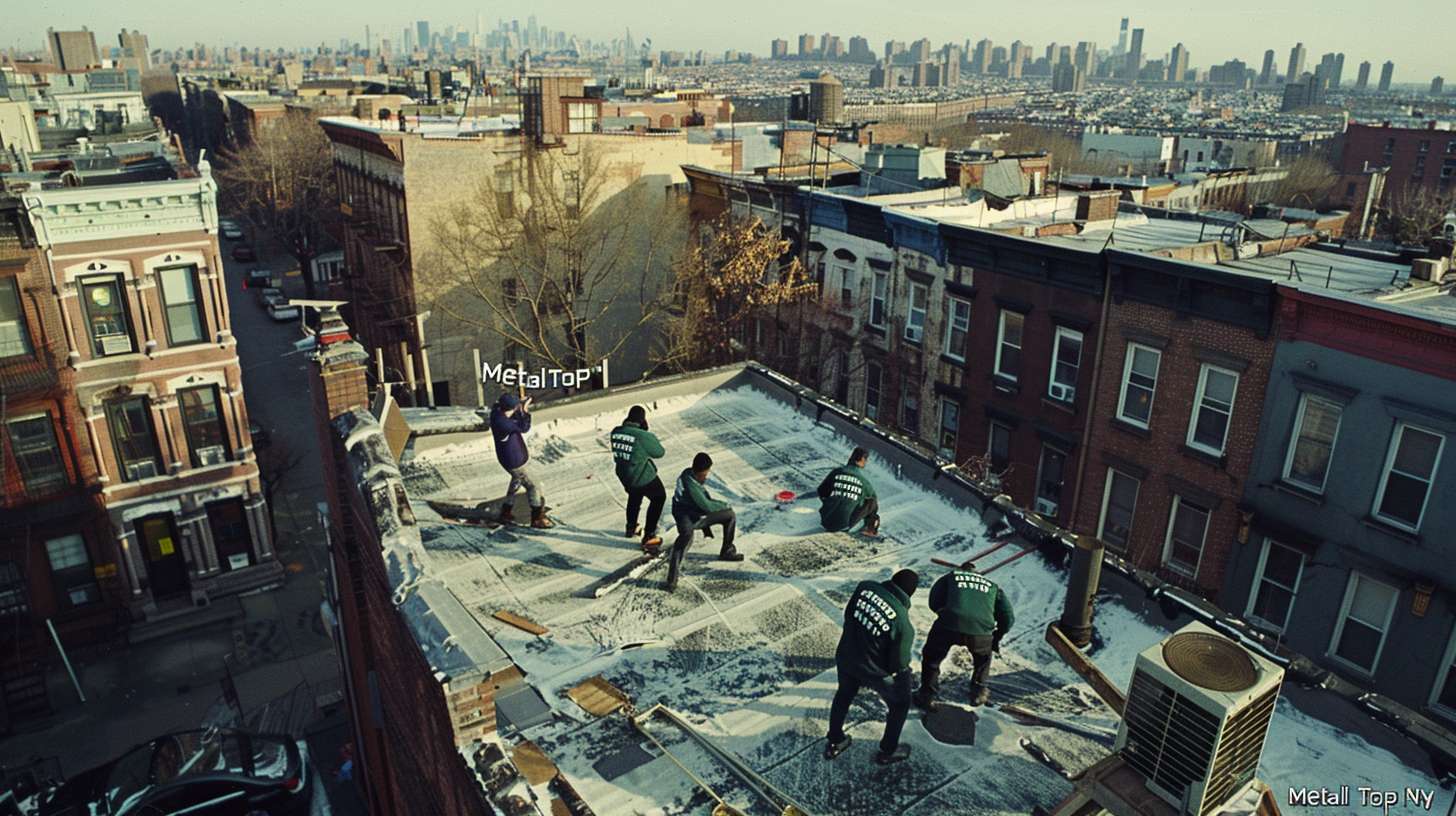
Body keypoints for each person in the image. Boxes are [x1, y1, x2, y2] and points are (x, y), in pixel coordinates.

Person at [825, 569, 919, 765]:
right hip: (873, 670)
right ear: (909, 594)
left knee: (844, 694)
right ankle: (888, 750)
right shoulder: (903, 624)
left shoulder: (864, 587)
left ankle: (835, 740)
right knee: (900, 703)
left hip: (846, 656)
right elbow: (899, 664)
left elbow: (849, 615)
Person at [915, 561, 1014, 709]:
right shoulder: (992, 586)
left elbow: (934, 598)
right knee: (983, 660)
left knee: (932, 658)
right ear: (978, 573)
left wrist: (943, 613)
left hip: (949, 623)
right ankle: (978, 693)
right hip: (981, 629)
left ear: (961, 569)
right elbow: (1008, 616)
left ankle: (927, 695)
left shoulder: (952, 576)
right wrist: (996, 636)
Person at [667, 452, 742, 591]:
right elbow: (706, 506)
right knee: (685, 539)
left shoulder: (689, 474)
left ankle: (727, 551)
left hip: (692, 513)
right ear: (699, 471)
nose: (706, 476)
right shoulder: (691, 484)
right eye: (705, 474)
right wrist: (724, 504)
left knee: (729, 516)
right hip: (686, 516)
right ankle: (671, 580)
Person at [490, 393, 553, 529]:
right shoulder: (504, 424)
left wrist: (518, 404)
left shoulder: (496, 413)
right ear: (512, 408)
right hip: (516, 462)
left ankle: (506, 511)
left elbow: (499, 405)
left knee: (516, 481)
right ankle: (537, 519)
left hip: (510, 459)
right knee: (533, 486)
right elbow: (524, 427)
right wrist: (524, 411)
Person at [610, 405, 666, 552]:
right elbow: (659, 452)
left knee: (635, 496)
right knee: (659, 497)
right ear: (642, 420)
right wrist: (644, 432)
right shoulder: (642, 436)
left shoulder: (616, 432)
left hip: (624, 475)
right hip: (641, 475)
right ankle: (649, 536)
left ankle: (631, 527)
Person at [817, 447, 880, 536]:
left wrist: (831, 503)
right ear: (862, 459)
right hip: (843, 524)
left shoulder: (837, 472)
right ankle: (870, 528)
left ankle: (832, 512)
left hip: (826, 521)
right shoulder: (862, 481)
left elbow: (821, 491)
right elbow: (873, 499)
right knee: (871, 501)